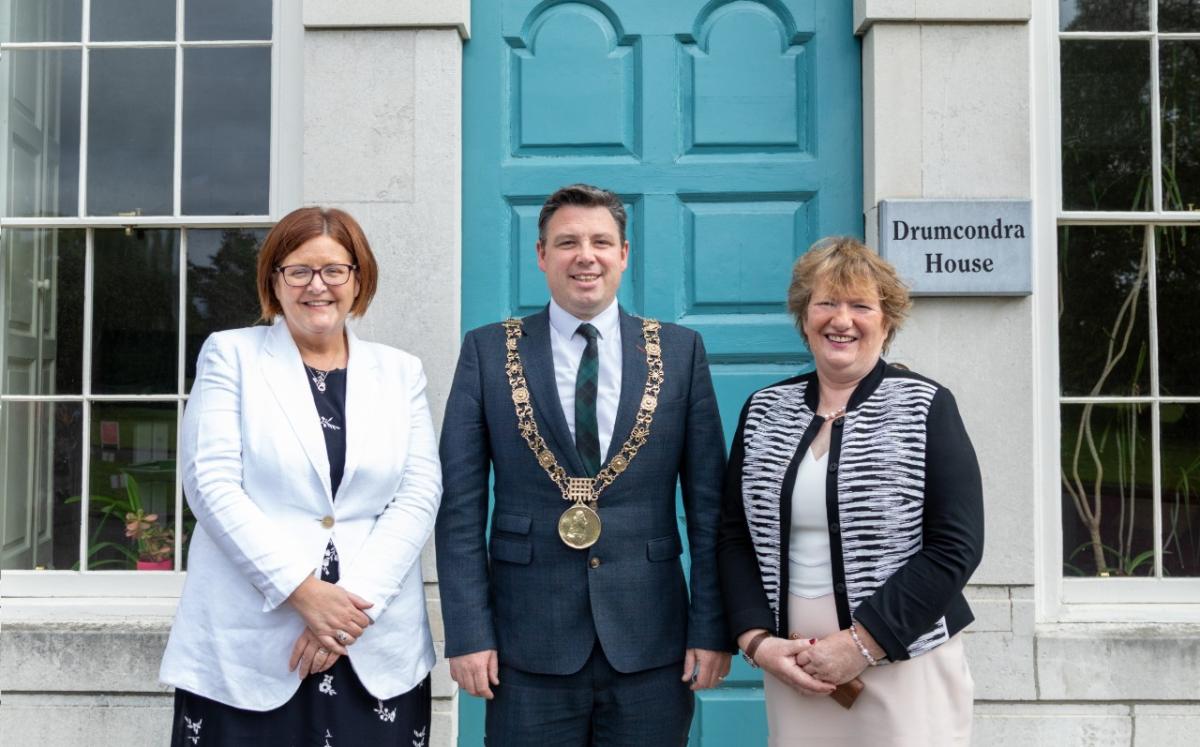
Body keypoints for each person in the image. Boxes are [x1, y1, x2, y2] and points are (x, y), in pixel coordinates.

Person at [436, 183, 731, 746]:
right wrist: (469, 632)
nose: (585, 255)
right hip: (525, 648)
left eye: (601, 241)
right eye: (567, 242)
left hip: (652, 645)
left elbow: (709, 509)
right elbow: (460, 509)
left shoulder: (679, 350)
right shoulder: (488, 351)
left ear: (624, 254)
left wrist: (711, 629)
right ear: (542, 255)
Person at [160, 207, 442, 745]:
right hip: (253, 646)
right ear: (275, 280)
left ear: (359, 280)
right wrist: (302, 591)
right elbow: (211, 484)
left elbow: (419, 491)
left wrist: (346, 609)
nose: (318, 286)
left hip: (371, 642)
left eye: (335, 270)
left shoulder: (401, 371)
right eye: (299, 271)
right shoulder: (231, 356)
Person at [717, 236, 984, 746]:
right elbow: (734, 537)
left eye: (861, 305)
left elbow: (957, 545)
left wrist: (862, 644)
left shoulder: (926, 405)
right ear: (805, 316)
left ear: (887, 321)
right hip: (795, 663)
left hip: (905, 659)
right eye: (827, 303)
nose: (842, 320)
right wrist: (757, 641)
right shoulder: (764, 410)